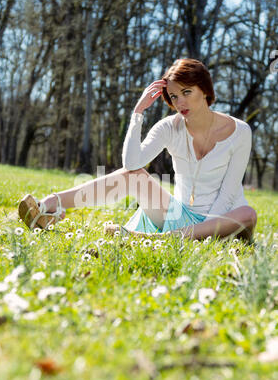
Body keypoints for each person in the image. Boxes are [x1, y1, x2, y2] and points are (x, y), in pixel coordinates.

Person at [18, 58, 257, 242]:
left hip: (224, 221)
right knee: (135, 176)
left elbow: (227, 195)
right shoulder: (169, 127)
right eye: (174, 96)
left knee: (248, 213)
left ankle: (159, 241)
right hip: (181, 217)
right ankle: (48, 205)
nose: (180, 103)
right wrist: (138, 113)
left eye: (187, 92)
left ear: (204, 90)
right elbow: (132, 165)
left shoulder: (239, 132)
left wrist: (203, 232)